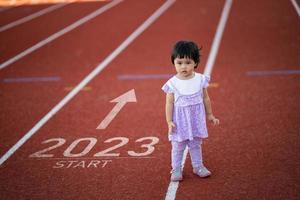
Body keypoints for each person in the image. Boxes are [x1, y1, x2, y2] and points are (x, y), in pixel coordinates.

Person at [162, 40, 220, 182]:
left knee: (195, 144)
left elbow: (206, 98)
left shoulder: (200, 79)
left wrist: (210, 115)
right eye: (179, 62)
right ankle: (176, 169)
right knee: (178, 146)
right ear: (174, 63)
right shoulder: (172, 83)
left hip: (195, 119)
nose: (183, 66)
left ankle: (198, 166)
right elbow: (169, 103)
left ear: (195, 62)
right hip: (179, 122)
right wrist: (169, 121)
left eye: (188, 62)